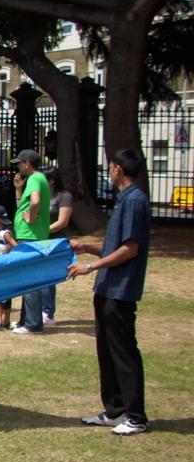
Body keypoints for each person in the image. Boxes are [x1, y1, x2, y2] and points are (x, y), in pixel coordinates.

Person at [68, 149, 151, 436]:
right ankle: (115, 410)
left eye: (111, 166)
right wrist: (88, 247)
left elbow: (130, 250)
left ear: (118, 169)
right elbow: (116, 247)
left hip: (121, 290)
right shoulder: (124, 200)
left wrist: (90, 266)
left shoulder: (136, 201)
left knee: (123, 351)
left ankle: (136, 416)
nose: (109, 170)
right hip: (106, 288)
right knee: (106, 350)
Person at [10, 149, 50, 334]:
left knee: (29, 279)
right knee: (29, 278)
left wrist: (31, 217)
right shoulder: (38, 179)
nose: (18, 167)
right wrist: (18, 189)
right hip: (32, 234)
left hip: (30, 235)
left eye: (19, 163)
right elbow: (24, 205)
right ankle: (25, 320)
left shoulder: (34, 178)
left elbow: (35, 201)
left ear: (27, 163)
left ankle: (32, 323)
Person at [40, 167, 74, 325]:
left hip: (54, 241)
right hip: (39, 241)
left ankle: (48, 312)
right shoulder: (40, 196)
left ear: (52, 180)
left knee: (48, 276)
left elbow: (62, 222)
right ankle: (37, 309)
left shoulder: (64, 197)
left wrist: (42, 230)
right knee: (37, 275)